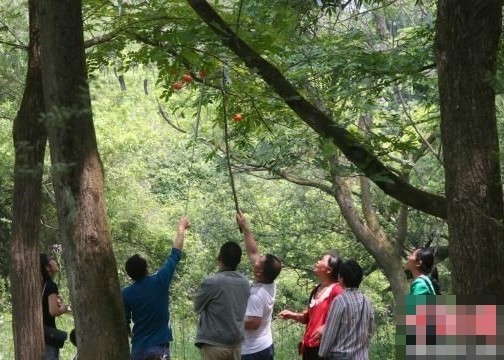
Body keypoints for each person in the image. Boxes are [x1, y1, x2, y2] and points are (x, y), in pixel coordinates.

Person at [122, 216, 190, 360]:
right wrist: (181, 228)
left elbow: (124, 321)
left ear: (130, 275)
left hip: (138, 350)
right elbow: (175, 254)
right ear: (146, 268)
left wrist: (130, 333)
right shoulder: (160, 280)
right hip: (159, 349)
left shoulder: (126, 294)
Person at [278, 252, 343, 360]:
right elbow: (309, 318)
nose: (317, 261)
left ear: (329, 270)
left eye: (322, 259)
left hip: (325, 350)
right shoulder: (316, 290)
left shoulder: (337, 290)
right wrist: (292, 315)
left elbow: (345, 316)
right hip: (309, 347)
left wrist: (326, 327)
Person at [236, 212, 282, 360]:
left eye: (259, 261)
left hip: (253, 352)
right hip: (265, 346)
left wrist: (231, 320)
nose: (255, 260)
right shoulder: (269, 281)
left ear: (260, 272)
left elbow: (254, 323)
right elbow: (253, 251)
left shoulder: (257, 296)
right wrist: (244, 226)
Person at [194, 241, 250, 360]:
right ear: (239, 261)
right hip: (236, 343)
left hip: (214, 343)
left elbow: (197, 306)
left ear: (219, 258)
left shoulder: (212, 282)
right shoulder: (245, 282)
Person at [318, 260, 374, 360]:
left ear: (341, 278)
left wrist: (322, 354)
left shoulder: (340, 301)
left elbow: (331, 331)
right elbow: (370, 330)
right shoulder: (367, 301)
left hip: (340, 356)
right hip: (362, 356)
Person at [40, 253, 71, 360]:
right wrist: (64, 308)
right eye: (51, 259)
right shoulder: (51, 285)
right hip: (48, 334)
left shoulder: (40, 284)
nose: (55, 261)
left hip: (39, 332)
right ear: (47, 267)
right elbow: (53, 311)